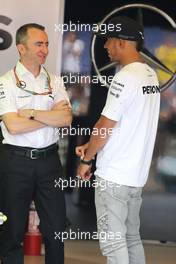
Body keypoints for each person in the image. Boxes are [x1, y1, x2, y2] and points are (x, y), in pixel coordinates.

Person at [76, 16, 160, 264]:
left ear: (122, 42)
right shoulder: (150, 74)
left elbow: (104, 126)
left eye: (108, 40)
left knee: (114, 245)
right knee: (131, 238)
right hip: (134, 178)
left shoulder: (124, 77)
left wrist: (87, 159)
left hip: (114, 177)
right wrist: (90, 146)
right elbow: (124, 125)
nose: (105, 46)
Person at [0, 23, 72, 264]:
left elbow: (66, 119)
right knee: (11, 231)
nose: (45, 49)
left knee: (55, 230)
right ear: (21, 48)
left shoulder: (55, 81)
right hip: (15, 163)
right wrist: (48, 117)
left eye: (47, 44)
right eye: (38, 44)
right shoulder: (5, 82)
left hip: (49, 163)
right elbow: (13, 126)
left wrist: (29, 112)